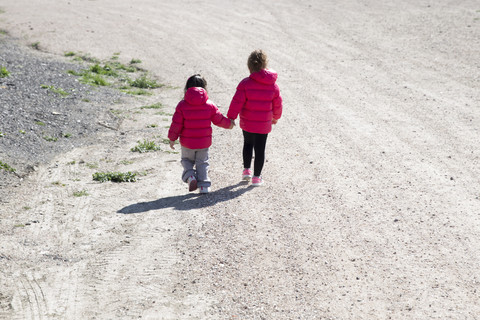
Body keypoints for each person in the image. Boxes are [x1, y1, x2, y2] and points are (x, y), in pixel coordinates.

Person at [168, 74, 234, 194]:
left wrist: (172, 138)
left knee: (186, 161)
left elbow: (176, 124)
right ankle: (204, 186)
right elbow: (218, 119)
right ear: (204, 88)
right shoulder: (209, 104)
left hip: (187, 143)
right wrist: (229, 124)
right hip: (203, 143)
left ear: (187, 88)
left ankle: (190, 177)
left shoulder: (182, 105)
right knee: (202, 163)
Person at [227, 50, 282, 186]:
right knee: (260, 149)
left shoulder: (245, 83)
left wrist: (231, 117)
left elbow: (236, 102)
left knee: (247, 144)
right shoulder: (273, 85)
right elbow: (277, 104)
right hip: (263, 124)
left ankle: (246, 171)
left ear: (249, 67)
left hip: (247, 123)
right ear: (265, 65)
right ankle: (257, 177)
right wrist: (276, 117)